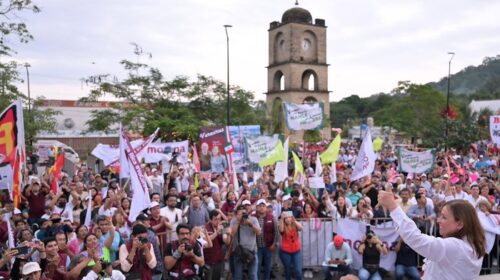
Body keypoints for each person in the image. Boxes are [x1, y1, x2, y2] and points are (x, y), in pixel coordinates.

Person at [378, 190, 486, 279]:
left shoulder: (455, 247)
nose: (438, 220)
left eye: (444, 217)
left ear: (459, 224)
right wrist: (448, 196)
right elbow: (462, 212)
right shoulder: (472, 242)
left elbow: (416, 239)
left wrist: (393, 207)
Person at [230, 205, 261, 280]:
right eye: (240, 213)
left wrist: (250, 224)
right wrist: (238, 221)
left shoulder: (253, 219)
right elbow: (232, 234)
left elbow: (259, 232)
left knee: (253, 276)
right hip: (239, 252)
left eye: (244, 213)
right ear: (237, 214)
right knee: (238, 276)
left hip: (252, 251)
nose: (242, 215)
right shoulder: (234, 220)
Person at [254, 199, 279, 280]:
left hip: (268, 247)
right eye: (260, 206)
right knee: (257, 267)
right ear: (257, 208)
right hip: (257, 247)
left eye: (263, 206)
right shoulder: (253, 218)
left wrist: (274, 244)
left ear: (266, 207)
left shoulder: (272, 217)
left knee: (268, 267)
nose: (262, 208)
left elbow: (277, 232)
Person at [278, 210, 303, 280]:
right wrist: (282, 219)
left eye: (289, 217)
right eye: (286, 218)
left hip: (296, 251)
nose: (288, 219)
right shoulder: (282, 224)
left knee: (298, 271)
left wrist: (294, 221)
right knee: (287, 270)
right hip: (285, 252)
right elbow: (281, 230)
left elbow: (301, 228)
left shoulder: (294, 224)